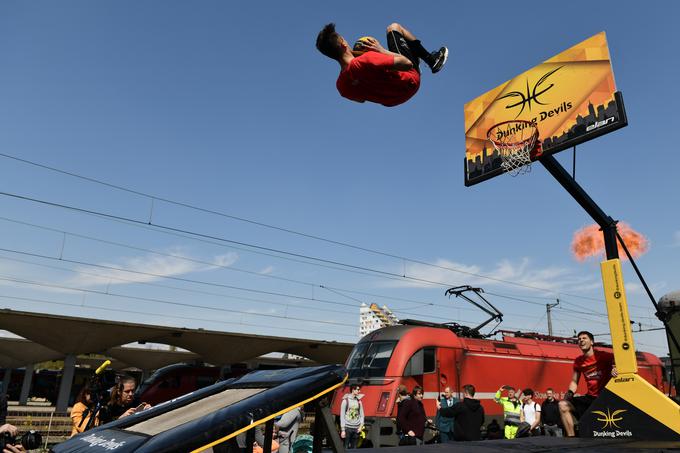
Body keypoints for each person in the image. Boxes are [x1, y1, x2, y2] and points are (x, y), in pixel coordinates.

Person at [315, 23, 448, 107]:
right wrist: (381, 51)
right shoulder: (366, 59)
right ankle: (432, 61)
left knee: (388, 65)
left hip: (393, 101)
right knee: (394, 28)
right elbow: (406, 64)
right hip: (410, 81)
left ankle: (415, 56)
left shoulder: (341, 86)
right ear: (343, 43)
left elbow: (361, 100)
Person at [559, 331, 616, 437]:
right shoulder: (578, 361)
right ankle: (572, 438)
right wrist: (570, 392)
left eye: (584, 338)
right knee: (563, 405)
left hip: (606, 397)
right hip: (590, 398)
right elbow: (574, 381)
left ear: (592, 342)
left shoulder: (604, 356)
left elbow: (620, 360)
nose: (581, 340)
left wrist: (616, 368)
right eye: (579, 339)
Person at [339, 384, 364, 449]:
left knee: (354, 449)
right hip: (347, 428)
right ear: (353, 390)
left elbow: (362, 415)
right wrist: (343, 430)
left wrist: (360, 427)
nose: (359, 391)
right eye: (358, 389)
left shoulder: (359, 401)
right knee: (345, 448)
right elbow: (342, 416)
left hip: (356, 429)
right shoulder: (345, 401)